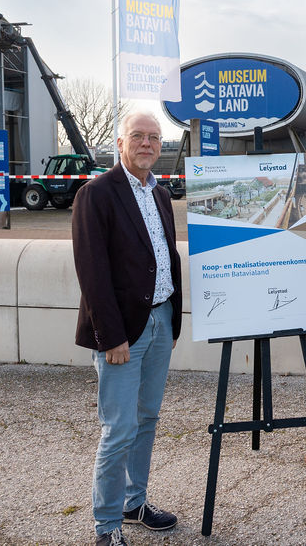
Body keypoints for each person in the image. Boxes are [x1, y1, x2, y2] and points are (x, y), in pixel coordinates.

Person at [72, 111, 182, 546]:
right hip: (122, 333)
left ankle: (134, 503)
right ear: (120, 143)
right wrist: (110, 336)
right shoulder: (95, 194)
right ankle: (106, 525)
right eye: (137, 136)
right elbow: (92, 272)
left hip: (159, 321)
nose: (146, 143)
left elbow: (163, 256)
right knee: (118, 429)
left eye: (154, 137)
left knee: (147, 418)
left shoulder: (159, 193)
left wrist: (172, 315)